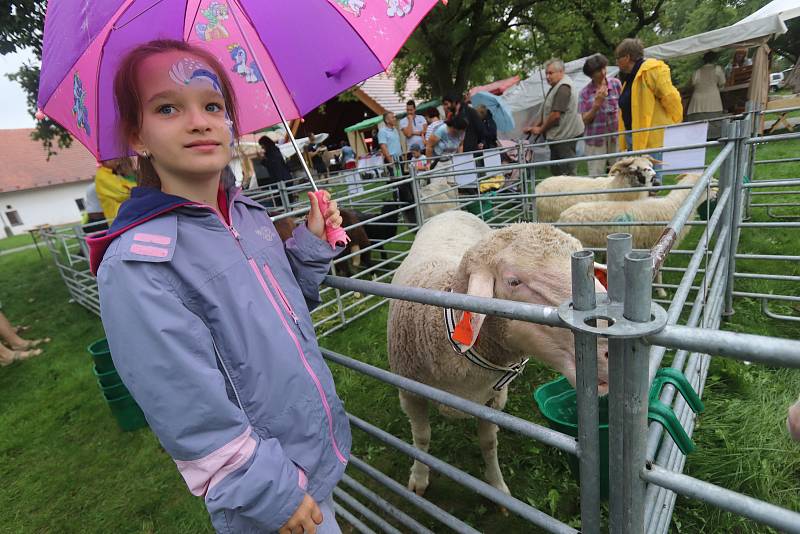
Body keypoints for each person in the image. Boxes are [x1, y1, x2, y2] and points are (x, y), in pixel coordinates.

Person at [85, 39, 349, 534]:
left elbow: (281, 307)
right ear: (137, 136)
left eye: (213, 106)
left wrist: (312, 243)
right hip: (270, 497)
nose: (200, 121)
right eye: (168, 108)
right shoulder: (140, 264)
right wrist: (266, 491)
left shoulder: (249, 217)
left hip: (313, 452)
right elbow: (184, 405)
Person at [615, 38, 683, 191]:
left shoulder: (652, 70)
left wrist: (674, 121)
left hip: (651, 137)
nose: (617, 62)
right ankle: (640, 210)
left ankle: (653, 212)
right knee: (637, 179)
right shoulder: (630, 78)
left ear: (626, 57)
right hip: (633, 135)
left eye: (618, 58)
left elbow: (671, 97)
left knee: (651, 180)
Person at [523, 58, 585, 175]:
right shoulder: (557, 86)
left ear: (561, 72)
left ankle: (571, 192)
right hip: (560, 136)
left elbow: (555, 115)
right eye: (546, 73)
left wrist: (540, 129)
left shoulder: (563, 88)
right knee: (558, 170)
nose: (547, 76)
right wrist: (533, 127)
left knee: (567, 172)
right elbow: (546, 110)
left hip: (565, 136)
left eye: (550, 73)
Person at [579, 53, 623, 176]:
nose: (603, 72)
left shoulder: (615, 84)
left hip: (616, 136)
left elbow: (622, 108)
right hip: (595, 140)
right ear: (591, 75)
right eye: (598, 71)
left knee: (619, 173)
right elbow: (585, 120)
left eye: (604, 67)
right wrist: (596, 105)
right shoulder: (584, 93)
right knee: (596, 176)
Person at [378, 111, 416, 224]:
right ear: (387, 120)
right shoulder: (382, 131)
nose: (394, 119)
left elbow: (397, 145)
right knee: (397, 183)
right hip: (392, 160)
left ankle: (402, 206)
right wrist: (390, 161)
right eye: (392, 117)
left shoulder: (395, 130)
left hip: (398, 159)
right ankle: (398, 208)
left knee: (400, 182)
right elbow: (383, 146)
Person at [687, 52, 726, 125]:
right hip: (713, 101)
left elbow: (691, 84)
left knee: (697, 128)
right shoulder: (717, 69)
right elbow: (722, 82)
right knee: (714, 127)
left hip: (697, 104)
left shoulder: (697, 71)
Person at [94, 158, 136, 224]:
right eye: (114, 158)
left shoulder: (112, 173)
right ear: (106, 160)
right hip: (120, 219)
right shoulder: (102, 175)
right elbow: (122, 194)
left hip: (125, 216)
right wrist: (138, 189)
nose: (118, 161)